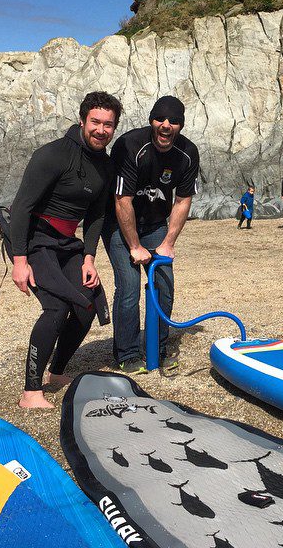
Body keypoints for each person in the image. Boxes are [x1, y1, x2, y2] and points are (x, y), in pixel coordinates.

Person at [9, 91, 121, 408]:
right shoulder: (53, 155)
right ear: (83, 120)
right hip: (35, 240)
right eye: (96, 122)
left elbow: (97, 215)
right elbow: (21, 208)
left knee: (87, 305)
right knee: (57, 308)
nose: (101, 129)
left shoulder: (106, 166)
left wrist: (88, 258)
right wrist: (20, 261)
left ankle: (57, 372)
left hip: (67, 244)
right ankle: (31, 392)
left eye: (108, 124)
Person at [103, 95, 199, 374]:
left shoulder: (187, 153)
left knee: (164, 286)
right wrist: (134, 246)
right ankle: (127, 352)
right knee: (130, 287)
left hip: (155, 224)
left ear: (181, 125)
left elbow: (183, 200)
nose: (166, 126)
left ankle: (157, 347)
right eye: (160, 119)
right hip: (120, 224)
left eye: (174, 121)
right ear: (151, 121)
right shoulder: (131, 145)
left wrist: (168, 243)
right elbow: (123, 200)